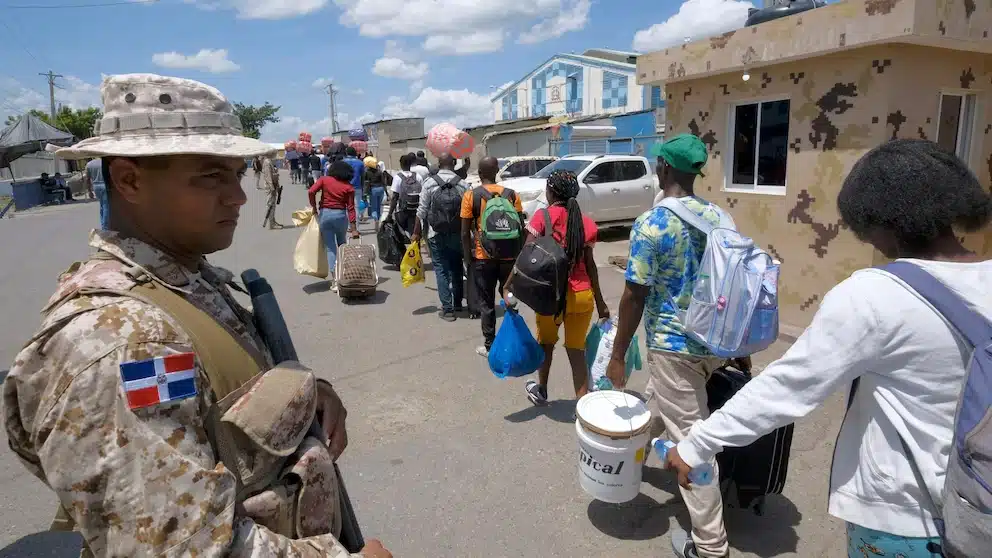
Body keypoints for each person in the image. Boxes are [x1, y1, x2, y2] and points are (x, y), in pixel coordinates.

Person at [3, 73, 391, 558]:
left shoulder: (184, 279)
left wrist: (306, 393)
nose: (239, 196)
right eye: (211, 177)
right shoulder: (125, 343)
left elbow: (218, 393)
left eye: (236, 173)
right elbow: (178, 547)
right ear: (128, 180)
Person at [626, 139, 991, 558]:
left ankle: (709, 545)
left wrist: (695, 446)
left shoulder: (874, 295)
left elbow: (789, 386)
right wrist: (739, 344)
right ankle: (633, 456)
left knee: (683, 419)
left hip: (908, 521)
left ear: (878, 219)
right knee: (665, 403)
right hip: (979, 506)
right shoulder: (717, 217)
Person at [605, 133, 742, 558]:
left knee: (694, 443)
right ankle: (627, 462)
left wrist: (616, 354)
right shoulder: (721, 219)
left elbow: (634, 294)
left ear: (663, 168)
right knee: (656, 408)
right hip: (714, 344)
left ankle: (710, 545)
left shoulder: (653, 223)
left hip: (673, 346)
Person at [501, 170, 609, 403]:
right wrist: (601, 303)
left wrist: (508, 286)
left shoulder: (542, 217)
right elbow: (591, 266)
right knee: (576, 350)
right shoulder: (586, 223)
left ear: (551, 192)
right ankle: (583, 402)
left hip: (550, 296)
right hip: (581, 295)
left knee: (547, 344)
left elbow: (525, 258)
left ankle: (542, 390)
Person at [462, 156, 524, 356]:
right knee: (509, 297)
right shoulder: (512, 195)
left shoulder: (472, 196)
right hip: (509, 257)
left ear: (479, 174)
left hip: (484, 257)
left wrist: (467, 256)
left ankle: (490, 346)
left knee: (486, 303)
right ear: (496, 171)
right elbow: (520, 227)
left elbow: (464, 232)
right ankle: (515, 341)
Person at [412, 153, 469, 322]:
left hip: (435, 233)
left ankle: (448, 310)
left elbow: (421, 211)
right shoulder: (463, 184)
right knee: (457, 267)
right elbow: (469, 212)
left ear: (438, 163)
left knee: (441, 269)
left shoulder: (429, 183)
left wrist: (416, 232)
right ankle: (458, 303)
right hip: (458, 233)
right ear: (453, 163)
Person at [310, 160, 360, 292]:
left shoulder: (324, 180)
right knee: (342, 245)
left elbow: (311, 191)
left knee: (331, 248)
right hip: (340, 216)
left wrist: (314, 207)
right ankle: (345, 275)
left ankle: (335, 280)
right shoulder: (348, 187)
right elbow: (351, 208)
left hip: (325, 215)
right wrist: (354, 229)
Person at [387, 153, 423, 237]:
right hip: (415, 210)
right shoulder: (417, 176)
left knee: (401, 234)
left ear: (400, 164)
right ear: (410, 164)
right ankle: (416, 249)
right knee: (414, 233)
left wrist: (389, 214)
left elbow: (395, 197)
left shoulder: (398, 177)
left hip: (403, 210)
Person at [363, 156, 387, 231]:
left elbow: (365, 183)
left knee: (374, 207)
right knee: (379, 206)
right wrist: (387, 193)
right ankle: (379, 220)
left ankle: (375, 219)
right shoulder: (379, 172)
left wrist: (364, 193)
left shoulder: (367, 172)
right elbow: (384, 183)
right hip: (380, 189)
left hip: (373, 190)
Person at [343, 146, 366, 222]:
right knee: (356, 207)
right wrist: (363, 188)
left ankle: (349, 226)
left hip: (345, 187)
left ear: (347, 153)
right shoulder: (360, 163)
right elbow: (363, 177)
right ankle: (356, 227)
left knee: (347, 206)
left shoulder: (343, 162)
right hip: (357, 187)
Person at [86, 157, 110, 230]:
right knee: (106, 206)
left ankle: (103, 223)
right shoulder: (105, 162)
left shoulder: (89, 164)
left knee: (102, 205)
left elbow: (87, 179)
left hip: (96, 186)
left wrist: (89, 191)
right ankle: (105, 227)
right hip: (105, 184)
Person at [260, 154, 283, 229]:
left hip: (273, 186)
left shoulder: (270, 161)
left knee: (273, 205)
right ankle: (271, 223)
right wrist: (272, 187)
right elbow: (268, 176)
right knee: (270, 205)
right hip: (270, 187)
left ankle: (273, 221)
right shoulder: (267, 162)